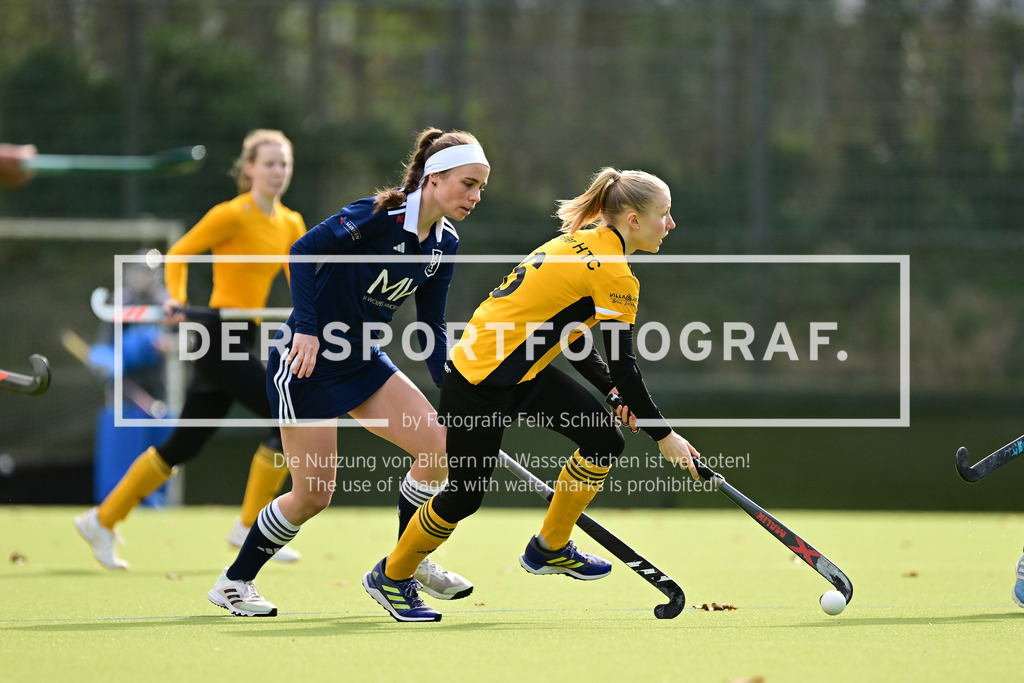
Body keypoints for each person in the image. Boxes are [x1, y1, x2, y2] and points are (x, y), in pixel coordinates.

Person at [362, 167, 702, 622]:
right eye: (665, 214)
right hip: (480, 382)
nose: (671, 224)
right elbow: (624, 362)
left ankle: (551, 546)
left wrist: (611, 391)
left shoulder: (581, 242)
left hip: (521, 374)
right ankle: (391, 575)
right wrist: (665, 435)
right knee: (464, 496)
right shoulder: (614, 272)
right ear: (634, 220)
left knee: (603, 439)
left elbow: (573, 337)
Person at [206, 128, 491, 617]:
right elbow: (302, 252)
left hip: (364, 362)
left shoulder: (444, 243)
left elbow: (432, 325)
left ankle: (406, 562)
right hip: (307, 364)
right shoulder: (376, 216)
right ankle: (234, 583)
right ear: (435, 177)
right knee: (313, 495)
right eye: (467, 183)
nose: (475, 196)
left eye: (480, 188)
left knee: (438, 448)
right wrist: (309, 331)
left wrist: (455, 386)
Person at [74, 129, 307, 569]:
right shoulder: (231, 214)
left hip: (244, 334)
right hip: (217, 335)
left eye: (284, 164)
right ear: (250, 169)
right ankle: (249, 527)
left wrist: (312, 316)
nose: (278, 171)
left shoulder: (291, 223)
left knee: (184, 443)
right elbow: (179, 254)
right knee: (286, 415)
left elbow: (300, 279)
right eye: (270, 163)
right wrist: (174, 298)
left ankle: (101, 520)